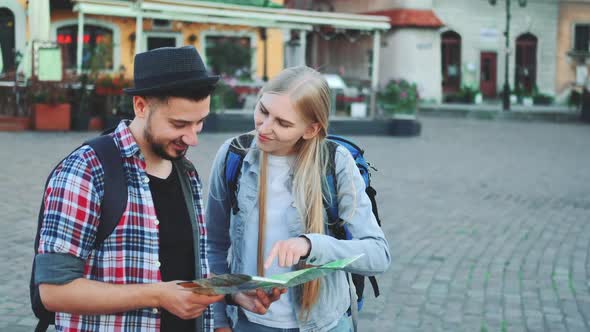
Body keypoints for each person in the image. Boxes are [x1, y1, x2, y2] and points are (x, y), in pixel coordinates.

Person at [34, 46, 282, 332]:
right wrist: (157, 295)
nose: (192, 138)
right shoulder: (86, 170)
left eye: (199, 123)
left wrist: (235, 293)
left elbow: (180, 267)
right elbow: (53, 291)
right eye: (180, 124)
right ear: (141, 106)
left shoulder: (185, 172)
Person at [206, 66, 391, 332]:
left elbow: (378, 255)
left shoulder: (336, 163)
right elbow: (213, 244)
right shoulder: (233, 156)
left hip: (325, 324)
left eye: (283, 123)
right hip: (248, 322)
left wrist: (312, 246)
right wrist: (219, 319)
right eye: (263, 110)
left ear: (311, 129)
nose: (265, 128)